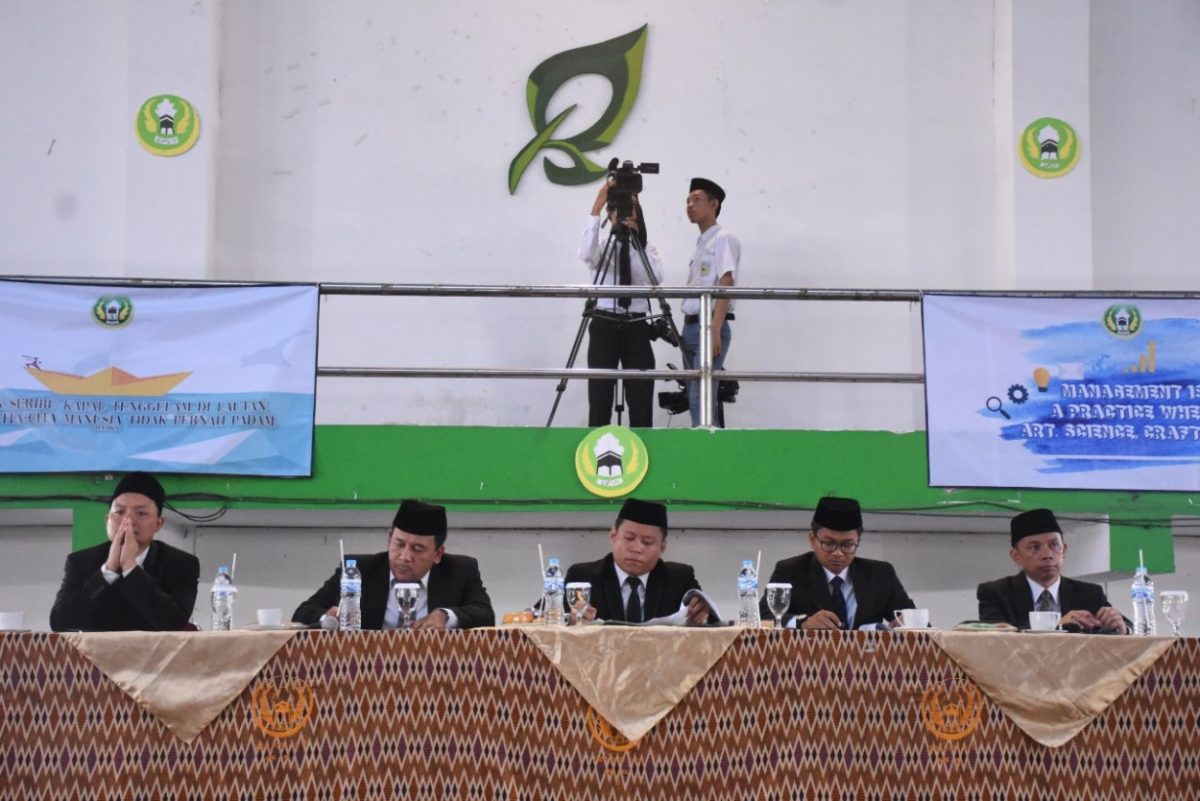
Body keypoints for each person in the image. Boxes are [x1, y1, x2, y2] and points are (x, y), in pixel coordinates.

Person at [293, 500, 494, 630]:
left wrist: (445, 616)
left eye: (417, 549)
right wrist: (326, 616)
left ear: (437, 554)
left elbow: (485, 614)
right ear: (389, 539)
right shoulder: (359, 570)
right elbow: (303, 611)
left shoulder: (460, 571)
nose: (405, 556)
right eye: (399, 544)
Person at [50, 472, 200, 632]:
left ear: (158, 523)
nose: (127, 521)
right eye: (119, 512)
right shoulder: (81, 562)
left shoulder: (181, 565)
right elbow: (60, 622)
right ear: (107, 520)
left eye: (141, 513)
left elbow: (173, 623)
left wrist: (130, 568)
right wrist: (108, 571)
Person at [577, 180, 664, 428]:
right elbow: (586, 254)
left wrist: (637, 243)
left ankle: (642, 447)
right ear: (610, 212)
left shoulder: (648, 249)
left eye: (630, 207)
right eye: (618, 207)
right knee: (599, 400)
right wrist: (596, 207)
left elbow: (653, 279)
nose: (624, 212)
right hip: (604, 325)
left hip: (637, 328)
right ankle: (598, 447)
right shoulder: (602, 246)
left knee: (641, 401)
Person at [760, 497, 915, 630]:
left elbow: (913, 617)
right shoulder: (790, 570)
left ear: (858, 542)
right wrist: (803, 623)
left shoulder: (880, 574)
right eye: (829, 544)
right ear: (812, 539)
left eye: (847, 545)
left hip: (866, 655)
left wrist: (908, 621)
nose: (838, 553)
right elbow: (764, 616)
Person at [977, 508, 1128, 633]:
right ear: (1016, 556)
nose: (1047, 555)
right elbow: (994, 637)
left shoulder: (1089, 594)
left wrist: (1121, 628)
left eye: (1054, 545)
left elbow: (1129, 627)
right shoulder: (996, 593)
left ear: (1064, 550)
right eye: (1035, 547)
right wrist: (1056, 625)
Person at [564, 498, 713, 624]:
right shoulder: (582, 577)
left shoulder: (680, 578)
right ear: (613, 535)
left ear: (662, 547)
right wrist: (570, 620)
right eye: (629, 538)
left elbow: (712, 621)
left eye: (647, 542)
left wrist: (702, 615)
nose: (636, 548)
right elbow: (551, 620)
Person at [681, 177, 741, 428]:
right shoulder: (701, 243)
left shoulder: (723, 238)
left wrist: (715, 329)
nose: (690, 205)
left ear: (714, 204)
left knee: (702, 395)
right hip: (691, 326)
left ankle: (705, 444)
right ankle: (703, 439)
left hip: (709, 325)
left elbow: (726, 282)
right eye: (688, 200)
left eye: (697, 199)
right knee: (695, 393)